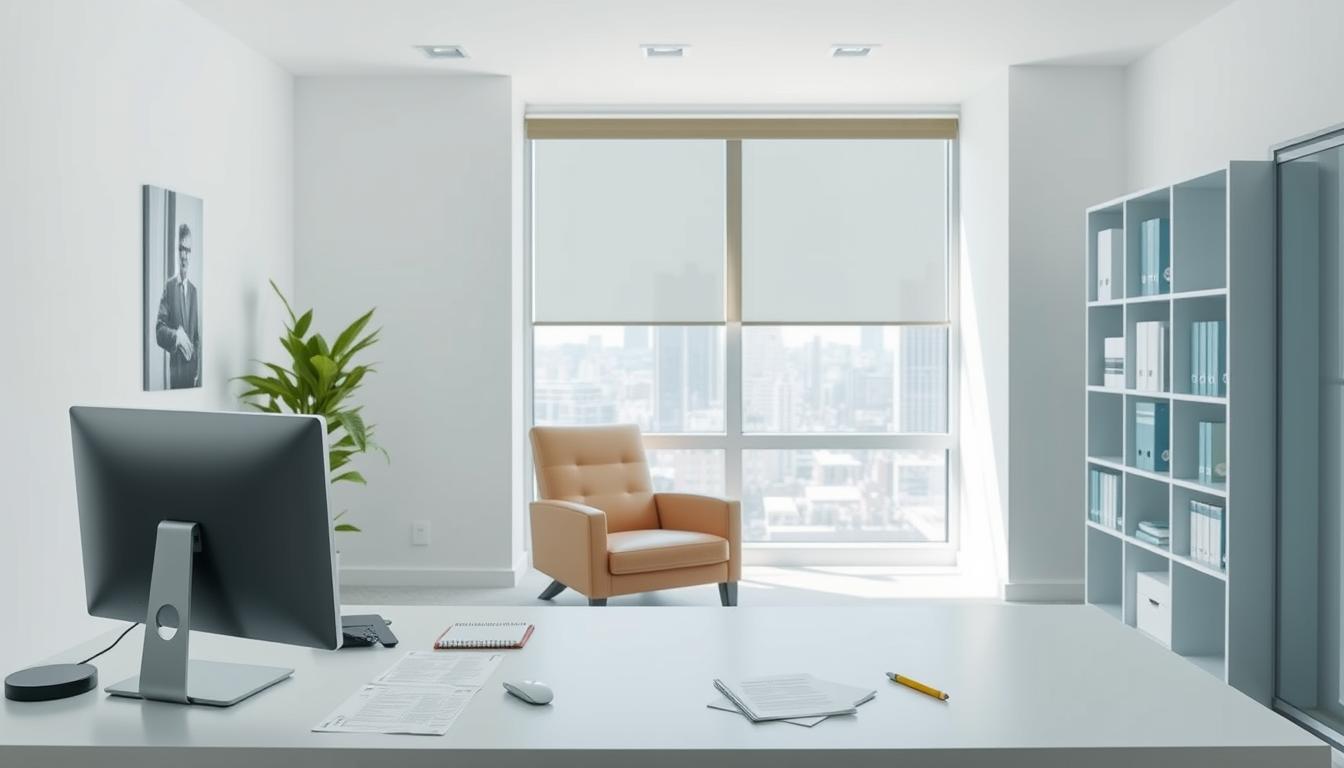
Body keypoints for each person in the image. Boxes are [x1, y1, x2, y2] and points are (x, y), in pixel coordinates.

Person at [155, 222, 201, 388]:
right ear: (177, 251)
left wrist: (197, 371)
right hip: (175, 378)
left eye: (188, 250)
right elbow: (159, 331)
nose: (185, 256)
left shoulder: (195, 292)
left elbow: (196, 338)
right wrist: (177, 336)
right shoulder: (169, 286)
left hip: (193, 380)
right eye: (182, 249)